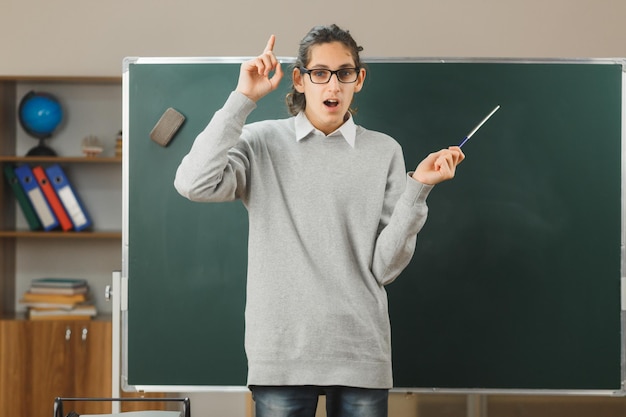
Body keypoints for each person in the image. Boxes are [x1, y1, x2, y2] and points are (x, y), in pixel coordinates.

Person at [174, 24, 464, 417]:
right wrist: (243, 99)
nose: (333, 85)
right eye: (320, 73)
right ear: (299, 79)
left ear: (358, 79)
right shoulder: (262, 142)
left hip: (360, 349)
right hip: (281, 352)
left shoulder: (384, 151)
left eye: (345, 73)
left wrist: (419, 189)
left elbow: (385, 268)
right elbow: (194, 183)